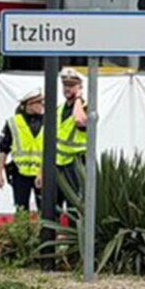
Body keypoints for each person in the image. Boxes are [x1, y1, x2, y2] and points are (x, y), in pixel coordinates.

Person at [0, 88, 45, 211]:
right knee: (21, 210)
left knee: (46, 211)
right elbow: (3, 148)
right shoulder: (13, 122)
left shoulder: (48, 121)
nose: (41, 105)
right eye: (38, 102)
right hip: (20, 173)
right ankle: (24, 231)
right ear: (28, 104)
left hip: (42, 173)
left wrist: (43, 172)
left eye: (42, 102)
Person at [55, 67, 88, 211]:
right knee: (54, 203)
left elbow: (79, 121)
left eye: (71, 85)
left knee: (74, 204)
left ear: (80, 87)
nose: (67, 88)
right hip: (58, 163)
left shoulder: (85, 107)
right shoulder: (59, 109)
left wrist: (79, 98)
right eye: (65, 85)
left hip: (76, 164)